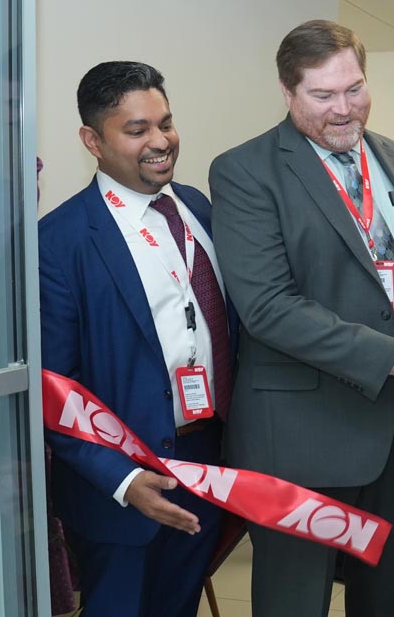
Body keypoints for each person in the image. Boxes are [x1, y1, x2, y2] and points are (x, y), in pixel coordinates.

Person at [207, 19, 394, 617]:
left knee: (387, 595)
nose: (343, 109)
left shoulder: (392, 157)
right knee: (295, 600)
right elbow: (268, 307)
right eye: (322, 95)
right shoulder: (246, 171)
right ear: (286, 93)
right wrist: (392, 356)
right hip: (301, 432)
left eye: (353, 88)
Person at [40, 61, 233, 617]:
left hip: (208, 455)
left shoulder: (196, 207)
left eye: (165, 123)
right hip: (122, 478)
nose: (161, 142)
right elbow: (56, 386)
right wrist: (122, 481)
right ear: (92, 141)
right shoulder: (61, 241)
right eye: (137, 129)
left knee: (179, 605)